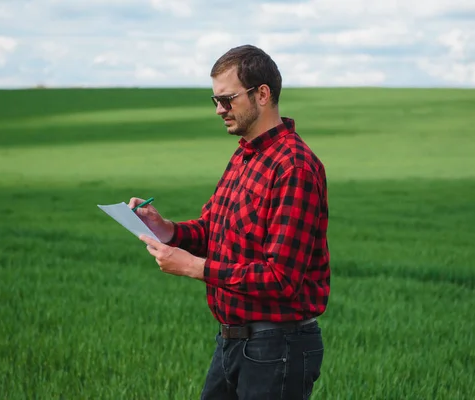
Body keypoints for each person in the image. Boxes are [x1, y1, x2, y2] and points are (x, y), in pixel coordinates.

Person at [129, 44, 330, 400]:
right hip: (231, 341)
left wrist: (195, 267)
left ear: (262, 94)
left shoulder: (293, 167)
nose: (220, 110)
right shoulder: (244, 156)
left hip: (277, 345)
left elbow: (282, 278)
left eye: (228, 99)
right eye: (215, 100)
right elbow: (213, 230)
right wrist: (168, 229)